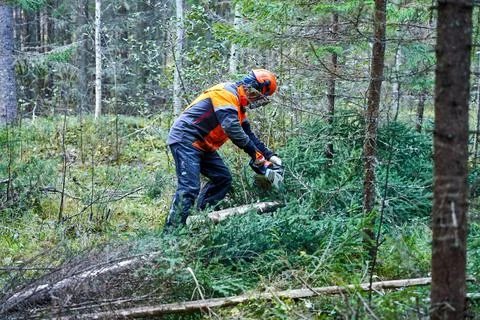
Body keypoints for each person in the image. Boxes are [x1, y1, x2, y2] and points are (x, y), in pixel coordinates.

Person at [165, 69, 282, 227]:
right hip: (186, 138)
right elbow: (232, 128)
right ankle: (172, 232)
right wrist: (255, 156)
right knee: (190, 186)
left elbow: (249, 135)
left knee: (222, 179)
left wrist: (269, 156)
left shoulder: (238, 108)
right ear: (250, 87)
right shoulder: (225, 93)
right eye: (257, 95)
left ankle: (200, 218)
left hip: (203, 145)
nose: (256, 100)